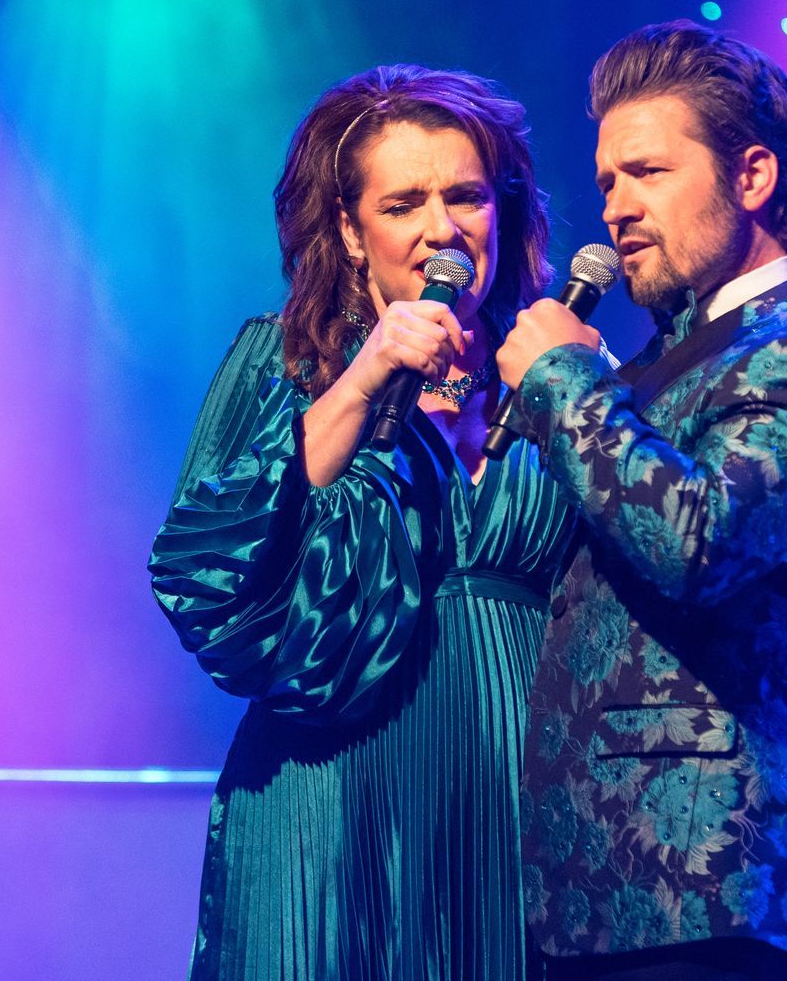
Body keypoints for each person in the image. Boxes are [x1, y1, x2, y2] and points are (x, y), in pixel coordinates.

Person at [493, 21, 787, 981]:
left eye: (647, 172)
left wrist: (559, 379)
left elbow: (701, 537)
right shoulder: (646, 368)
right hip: (598, 911)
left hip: (729, 904)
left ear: (752, 176)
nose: (618, 210)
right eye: (606, 183)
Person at [149, 66, 578, 981]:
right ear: (349, 230)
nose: (441, 229)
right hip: (333, 802)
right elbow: (201, 574)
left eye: (465, 196)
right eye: (403, 203)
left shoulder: (551, 371)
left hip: (511, 804)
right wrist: (365, 376)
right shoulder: (284, 361)